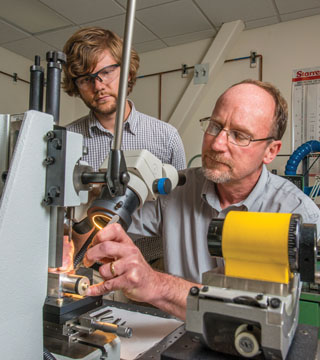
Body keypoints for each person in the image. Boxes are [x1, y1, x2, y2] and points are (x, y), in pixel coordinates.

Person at [83, 79, 320, 320]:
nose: (217, 144)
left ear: (271, 151)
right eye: (215, 126)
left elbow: (253, 314)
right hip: (175, 338)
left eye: (239, 136)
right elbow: (99, 227)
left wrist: (156, 284)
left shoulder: (295, 214)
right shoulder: (176, 187)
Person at [62, 27, 186, 172]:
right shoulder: (64, 141)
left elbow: (181, 194)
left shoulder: (167, 138)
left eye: (107, 72)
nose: (98, 86)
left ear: (127, 72)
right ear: (76, 86)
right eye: (85, 79)